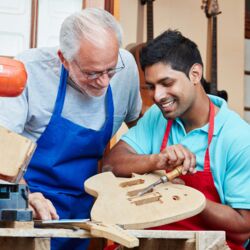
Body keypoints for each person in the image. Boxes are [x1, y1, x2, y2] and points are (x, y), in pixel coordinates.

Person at [0, 8, 141, 250]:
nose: (105, 81)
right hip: (31, 203)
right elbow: (2, 153)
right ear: (64, 58)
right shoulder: (29, 71)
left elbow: (143, 130)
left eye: (110, 70)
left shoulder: (125, 67)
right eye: (92, 73)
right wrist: (24, 198)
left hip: (89, 212)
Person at [103, 29, 250, 250]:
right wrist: (155, 161)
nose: (158, 96)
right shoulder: (157, 116)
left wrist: (183, 195)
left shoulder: (238, 137)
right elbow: (110, 164)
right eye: (152, 86)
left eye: (167, 83)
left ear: (195, 74)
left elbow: (243, 227)